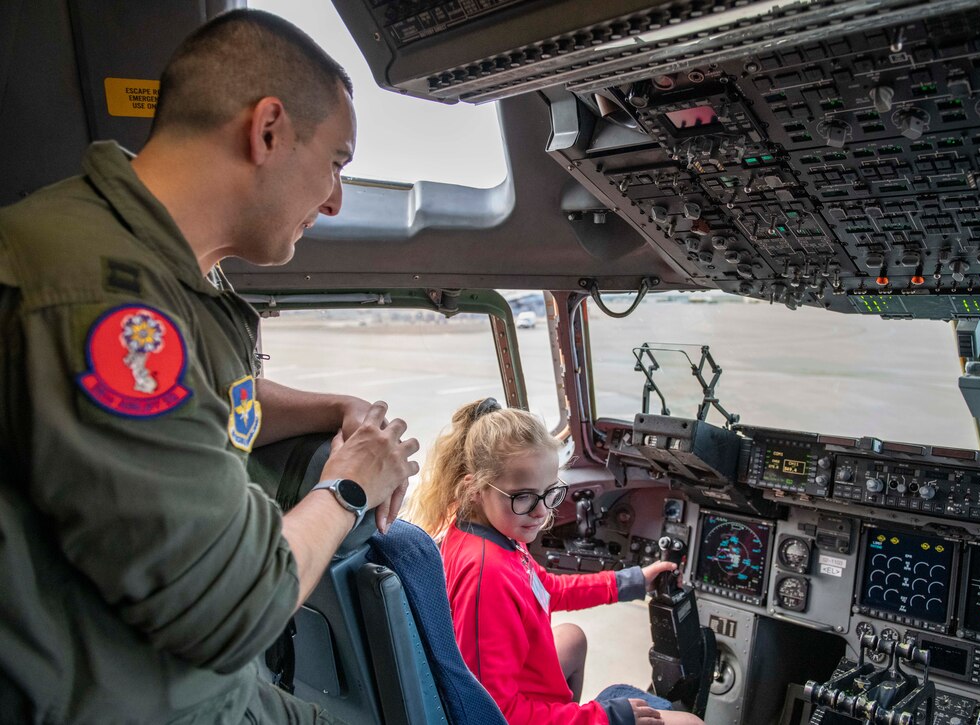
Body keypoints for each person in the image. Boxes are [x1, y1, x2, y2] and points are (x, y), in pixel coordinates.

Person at [0, 9, 418, 724]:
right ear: (268, 130)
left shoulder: (159, 262)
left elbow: (209, 396)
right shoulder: (101, 300)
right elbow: (238, 607)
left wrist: (331, 407)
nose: (335, 199)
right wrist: (350, 486)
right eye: (336, 162)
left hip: (187, 682)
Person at [405, 398, 705, 725]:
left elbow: (547, 588)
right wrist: (606, 716)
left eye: (550, 493)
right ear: (475, 489)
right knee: (692, 724)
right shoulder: (487, 574)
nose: (541, 512)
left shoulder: (488, 533)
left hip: (517, 691)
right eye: (523, 496)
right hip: (504, 715)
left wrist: (630, 582)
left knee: (571, 637)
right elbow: (493, 714)